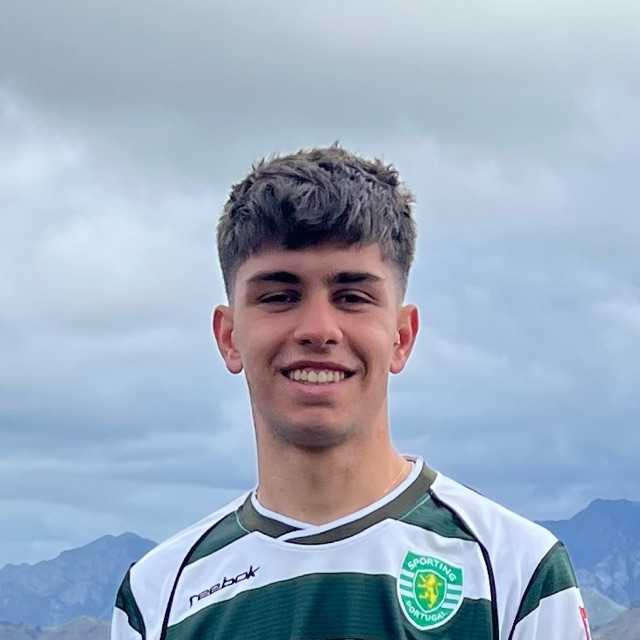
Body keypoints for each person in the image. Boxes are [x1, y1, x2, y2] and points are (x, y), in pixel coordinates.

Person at [111, 146, 591, 640]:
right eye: (280, 296)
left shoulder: (516, 573)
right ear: (229, 337)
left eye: (352, 297)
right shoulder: (157, 596)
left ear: (401, 337)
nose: (318, 330)